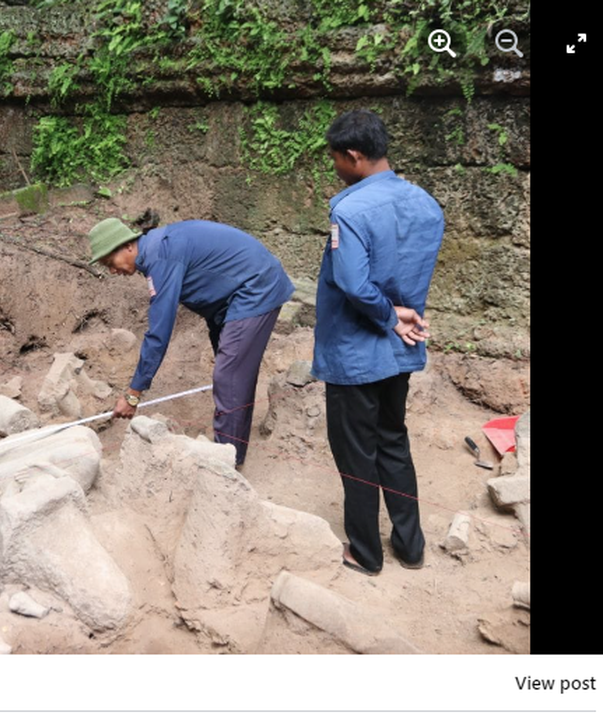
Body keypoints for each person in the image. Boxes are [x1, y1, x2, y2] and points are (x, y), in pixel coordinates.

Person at [313, 109, 444, 576]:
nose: (335, 168)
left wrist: (388, 316)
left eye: (336, 160)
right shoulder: (426, 204)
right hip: (399, 350)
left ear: (354, 156)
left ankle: (365, 552)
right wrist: (399, 316)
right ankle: (410, 545)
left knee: (355, 451)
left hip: (355, 351)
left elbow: (352, 282)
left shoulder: (348, 209)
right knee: (393, 439)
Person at [88, 218, 294, 467]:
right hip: (234, 296)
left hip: (256, 287)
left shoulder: (160, 258)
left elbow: (159, 332)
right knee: (233, 374)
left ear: (128, 247)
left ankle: (224, 465)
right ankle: (232, 452)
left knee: (228, 376)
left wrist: (133, 394)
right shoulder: (156, 250)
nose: (111, 270)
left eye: (110, 262)